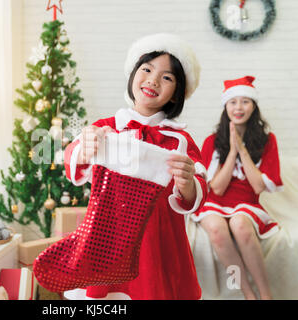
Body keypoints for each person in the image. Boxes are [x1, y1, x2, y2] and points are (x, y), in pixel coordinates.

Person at [62, 33, 207, 300]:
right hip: (109, 236)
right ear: (133, 75)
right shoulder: (107, 128)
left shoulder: (180, 141)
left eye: (167, 77)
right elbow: (73, 165)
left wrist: (188, 183)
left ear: (177, 94)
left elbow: (198, 193)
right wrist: (85, 148)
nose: (153, 80)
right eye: (147, 69)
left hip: (158, 243)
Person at [191, 76, 283, 300]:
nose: (238, 107)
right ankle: (248, 294)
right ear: (226, 106)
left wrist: (242, 149)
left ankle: (266, 294)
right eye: (233, 102)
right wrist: (231, 152)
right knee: (215, 229)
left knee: (240, 224)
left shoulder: (267, 140)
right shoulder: (212, 141)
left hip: (246, 203)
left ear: (254, 106)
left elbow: (259, 186)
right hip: (214, 202)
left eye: (245, 101)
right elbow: (218, 189)